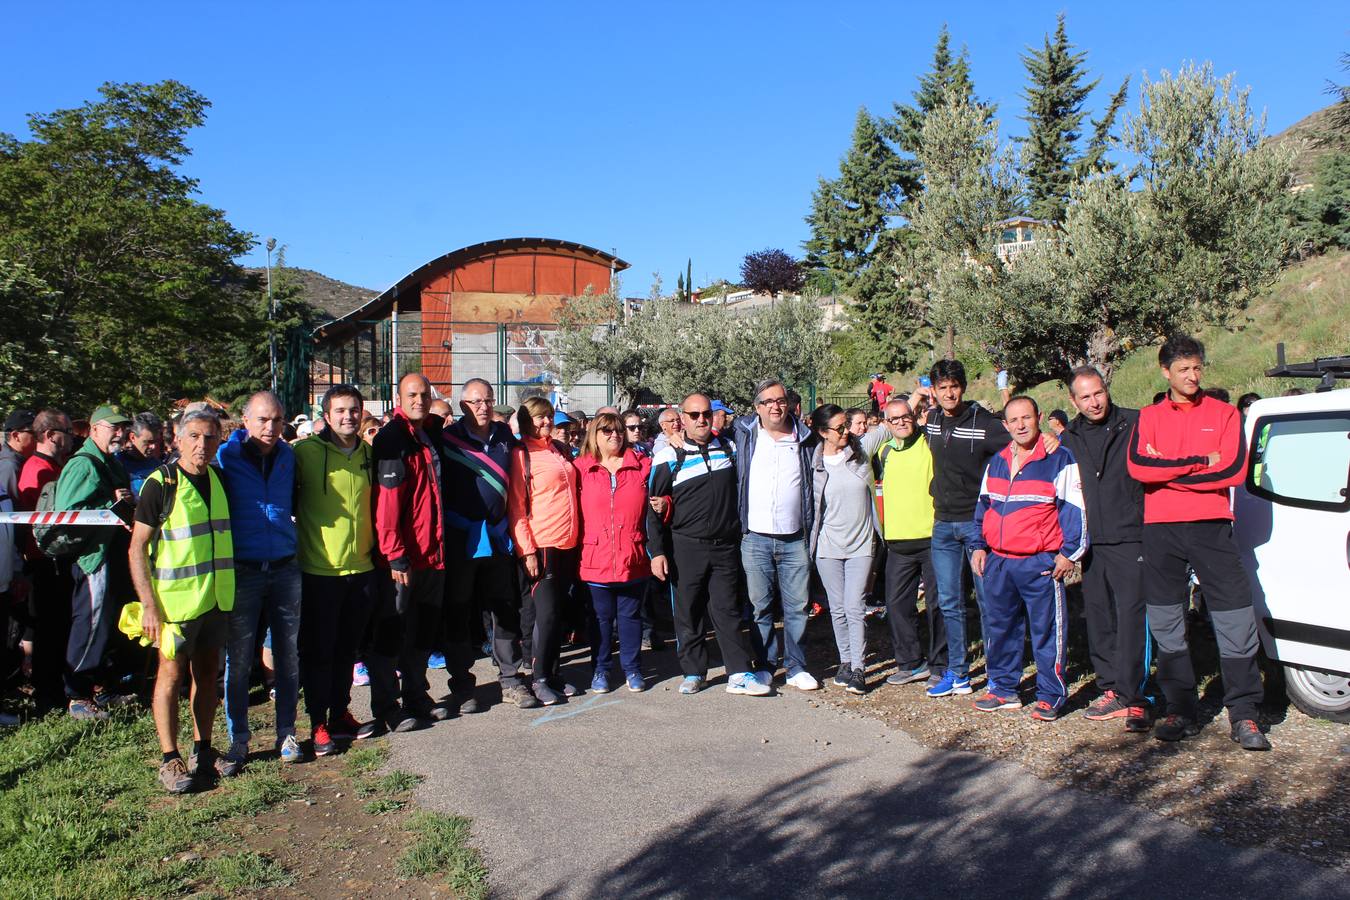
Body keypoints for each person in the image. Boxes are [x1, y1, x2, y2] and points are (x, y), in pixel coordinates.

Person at [1127, 334, 1270, 750]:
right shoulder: (1149, 416)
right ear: (1165, 372)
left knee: (1235, 620)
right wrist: (1194, 463)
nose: (1192, 376)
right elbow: (1139, 466)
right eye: (1183, 369)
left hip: (1211, 526)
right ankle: (1180, 708)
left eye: (1197, 368)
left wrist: (1167, 471)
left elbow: (1232, 472)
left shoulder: (1225, 414)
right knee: (1168, 621)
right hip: (1161, 529)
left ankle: (1244, 714)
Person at [127, 410, 234, 792]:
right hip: (173, 607)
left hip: (215, 601)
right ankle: (170, 758)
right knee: (170, 677)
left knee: (207, 676)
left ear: (219, 441)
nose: (201, 445)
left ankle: (203, 749)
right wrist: (149, 605)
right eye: (193, 437)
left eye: (209, 437)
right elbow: (137, 547)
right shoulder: (161, 483)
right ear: (176, 439)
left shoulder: (220, 480)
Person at [970, 396, 1087, 721]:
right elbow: (983, 505)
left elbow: (1074, 508)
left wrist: (1069, 553)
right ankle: (1004, 688)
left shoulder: (1059, 459)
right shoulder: (997, 461)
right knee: (1001, 626)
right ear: (1005, 426)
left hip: (1039, 562)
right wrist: (978, 545)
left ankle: (1051, 694)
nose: (1021, 425)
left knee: (1046, 629)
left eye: (1027, 418)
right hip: (999, 561)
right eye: (1014, 420)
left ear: (1039, 418)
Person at [649, 392, 769, 697]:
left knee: (727, 609)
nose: (701, 420)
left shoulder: (727, 447)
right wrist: (658, 552)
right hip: (685, 546)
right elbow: (651, 508)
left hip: (725, 545)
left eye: (706, 414)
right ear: (682, 419)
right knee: (688, 611)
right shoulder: (668, 456)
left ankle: (739, 672)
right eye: (694, 415)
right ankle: (692, 671)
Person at [1060, 367, 1151, 732]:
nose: (1094, 402)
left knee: (1133, 618)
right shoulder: (1069, 437)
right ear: (1073, 401)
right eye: (1085, 397)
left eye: (1098, 393)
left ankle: (1138, 697)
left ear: (1106, 390)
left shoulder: (1135, 423)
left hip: (1132, 536)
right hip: (1092, 542)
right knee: (1099, 617)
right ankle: (1111, 689)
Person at [441, 378, 539, 711]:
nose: (483, 406)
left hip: (498, 538)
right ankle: (462, 685)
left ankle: (511, 679)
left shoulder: (504, 437)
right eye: (475, 401)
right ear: (462, 405)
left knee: (503, 610)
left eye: (488, 400)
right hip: (461, 540)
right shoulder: (448, 439)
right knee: (458, 612)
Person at [294, 385, 381, 756]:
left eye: (354, 409)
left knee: (348, 649)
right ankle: (316, 723)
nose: (349, 416)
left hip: (361, 567)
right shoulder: (303, 454)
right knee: (319, 652)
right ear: (326, 416)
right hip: (319, 570)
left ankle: (340, 711)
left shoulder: (368, 454)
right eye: (341, 410)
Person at [216, 392, 303, 766]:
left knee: (287, 657)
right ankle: (239, 739)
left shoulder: (288, 457)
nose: (271, 428)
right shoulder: (226, 458)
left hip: (285, 567)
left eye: (277, 421)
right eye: (263, 420)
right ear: (245, 421)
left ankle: (287, 733)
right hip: (243, 570)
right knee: (238, 660)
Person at [922, 359, 1014, 699]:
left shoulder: (986, 424)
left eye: (954, 386)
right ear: (934, 390)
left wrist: (1047, 440)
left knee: (989, 601)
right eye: (942, 387)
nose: (949, 393)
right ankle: (958, 673)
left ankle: (998, 675)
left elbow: (1018, 444)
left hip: (977, 525)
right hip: (942, 524)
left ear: (963, 387)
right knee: (949, 602)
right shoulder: (931, 421)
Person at [370, 373, 449, 731]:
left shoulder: (431, 433)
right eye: (412, 395)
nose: (419, 400)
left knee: (422, 631)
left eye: (424, 394)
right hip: (403, 559)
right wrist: (394, 554)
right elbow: (386, 505)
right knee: (392, 632)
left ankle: (417, 694)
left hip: (434, 553)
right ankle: (387, 705)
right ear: (399, 397)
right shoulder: (391, 439)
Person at [734, 379, 819, 691]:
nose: (775, 406)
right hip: (754, 537)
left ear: (790, 404)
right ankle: (766, 665)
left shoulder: (805, 438)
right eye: (767, 401)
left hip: (795, 537)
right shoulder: (745, 434)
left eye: (780, 400)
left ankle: (796, 667)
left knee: (798, 607)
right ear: (757, 408)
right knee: (760, 608)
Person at [53, 404, 135, 719]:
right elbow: (67, 512)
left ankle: (102, 687)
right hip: (92, 558)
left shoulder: (111, 461)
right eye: (113, 426)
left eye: (122, 426)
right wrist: (108, 503)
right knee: (90, 622)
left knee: (108, 624)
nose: (119, 432)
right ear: (94, 428)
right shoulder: (83, 464)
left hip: (114, 553)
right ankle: (77, 695)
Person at [807, 405, 888, 695]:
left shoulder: (861, 451)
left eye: (846, 426)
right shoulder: (814, 463)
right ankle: (844, 662)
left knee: (855, 607)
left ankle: (859, 669)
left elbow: (891, 426)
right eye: (839, 428)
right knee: (838, 609)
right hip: (828, 547)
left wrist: (916, 397)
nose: (845, 432)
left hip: (862, 544)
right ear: (822, 432)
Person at [507, 397, 582, 705]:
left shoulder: (557, 449)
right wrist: (527, 551)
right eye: (539, 418)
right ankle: (538, 679)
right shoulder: (521, 453)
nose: (546, 422)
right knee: (545, 616)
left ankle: (553, 674)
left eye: (549, 416)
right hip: (542, 544)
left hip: (568, 542)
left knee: (558, 615)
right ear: (527, 420)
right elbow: (516, 507)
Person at [575, 412, 654, 694]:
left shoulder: (643, 465)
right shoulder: (581, 468)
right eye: (606, 430)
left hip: (632, 554)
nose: (614, 435)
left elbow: (663, 492)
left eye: (619, 430)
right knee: (600, 618)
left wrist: (664, 502)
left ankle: (633, 669)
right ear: (594, 434)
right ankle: (601, 669)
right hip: (595, 555)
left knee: (630, 616)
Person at [875, 397, 946, 689]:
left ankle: (941, 664)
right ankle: (910, 663)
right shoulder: (883, 452)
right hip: (898, 543)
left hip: (931, 538)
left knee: (937, 604)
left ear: (914, 416)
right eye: (894, 419)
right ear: (886, 424)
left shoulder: (931, 443)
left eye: (905, 416)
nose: (901, 422)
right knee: (896, 605)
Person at [18, 409, 75, 712]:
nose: (72, 437)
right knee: (48, 629)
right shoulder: (37, 469)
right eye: (67, 430)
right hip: (44, 560)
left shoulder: (53, 465)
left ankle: (55, 687)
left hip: (57, 558)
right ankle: (47, 693)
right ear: (52, 435)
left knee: (58, 626)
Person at [118, 412, 165, 496]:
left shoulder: (159, 467)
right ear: (132, 437)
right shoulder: (117, 464)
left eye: (155, 441)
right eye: (148, 442)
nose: (153, 446)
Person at [0, 409, 36, 501]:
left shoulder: (19, 461)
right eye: (34, 433)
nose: (39, 437)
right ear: (16, 436)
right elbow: (9, 512)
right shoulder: (9, 466)